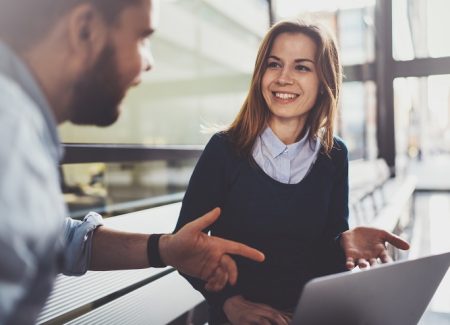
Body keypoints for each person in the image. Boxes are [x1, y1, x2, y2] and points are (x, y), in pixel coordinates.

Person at [0, 1, 266, 324]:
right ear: (85, 30)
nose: (150, 62)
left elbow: (58, 239)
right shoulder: (12, 143)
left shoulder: (21, 128)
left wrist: (165, 249)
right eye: (143, 38)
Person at [175, 20, 410, 325]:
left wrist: (344, 243)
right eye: (274, 64)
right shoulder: (224, 150)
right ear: (261, 73)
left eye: (301, 67)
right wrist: (230, 304)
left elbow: (325, 251)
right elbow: (183, 247)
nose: (283, 78)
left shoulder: (334, 155)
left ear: (324, 80)